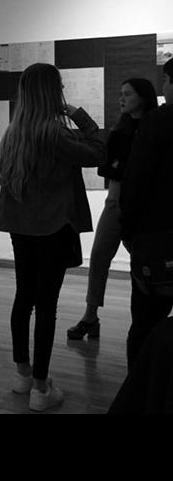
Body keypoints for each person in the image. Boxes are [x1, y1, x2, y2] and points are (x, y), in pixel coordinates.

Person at [0, 62, 106, 412]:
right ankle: (41, 389)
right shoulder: (56, 132)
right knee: (46, 307)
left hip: (20, 229)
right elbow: (100, 151)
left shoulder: (13, 133)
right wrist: (78, 114)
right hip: (53, 228)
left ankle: (22, 375)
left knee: (23, 298)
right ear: (53, 91)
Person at [67, 78, 158, 339]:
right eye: (121, 93)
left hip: (144, 209)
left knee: (144, 263)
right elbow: (105, 167)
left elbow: (145, 170)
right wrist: (127, 169)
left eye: (127, 94)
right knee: (98, 258)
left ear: (142, 97)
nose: (122, 99)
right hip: (115, 203)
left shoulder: (155, 127)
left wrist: (124, 168)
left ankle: (145, 321)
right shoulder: (120, 131)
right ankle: (90, 317)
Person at [119, 58, 173, 368]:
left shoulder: (158, 122)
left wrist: (129, 231)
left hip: (157, 238)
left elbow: (135, 183)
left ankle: (140, 389)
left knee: (145, 321)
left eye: (166, 80)